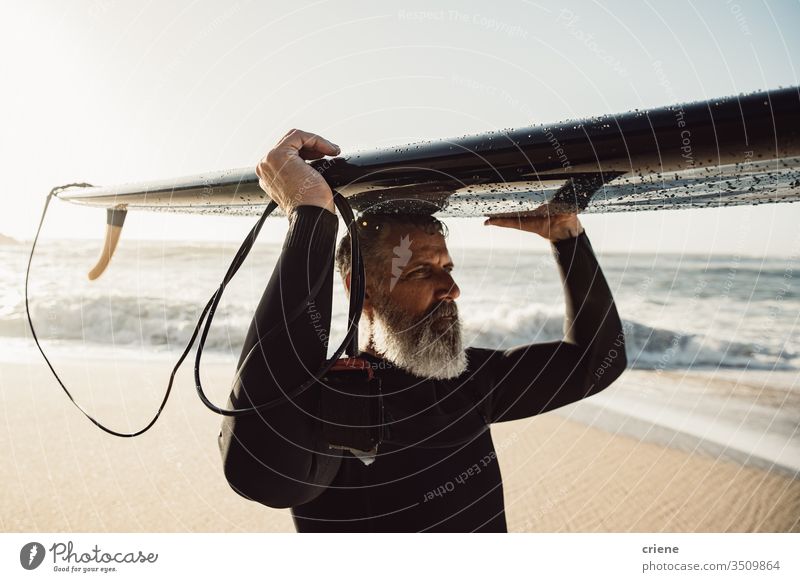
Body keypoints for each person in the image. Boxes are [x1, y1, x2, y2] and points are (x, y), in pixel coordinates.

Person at [217, 129, 628, 532]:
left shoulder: (467, 381)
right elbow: (262, 473)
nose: (452, 290)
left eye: (447, 269)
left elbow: (597, 363)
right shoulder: (323, 401)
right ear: (360, 290)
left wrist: (566, 237)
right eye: (420, 271)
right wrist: (310, 214)